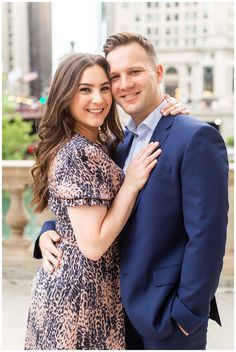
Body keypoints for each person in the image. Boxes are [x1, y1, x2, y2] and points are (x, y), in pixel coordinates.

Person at [34, 33, 228, 350]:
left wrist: (186, 314)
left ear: (159, 73)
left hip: (166, 320)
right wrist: (49, 230)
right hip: (112, 316)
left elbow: (207, 237)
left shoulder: (194, 138)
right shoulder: (117, 144)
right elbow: (90, 202)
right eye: (115, 77)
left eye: (135, 72)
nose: (124, 84)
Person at [24, 52, 163, 350]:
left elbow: (68, 212)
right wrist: (131, 184)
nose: (98, 99)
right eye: (84, 89)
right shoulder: (77, 152)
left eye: (103, 88)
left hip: (90, 292)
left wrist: (169, 108)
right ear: (65, 95)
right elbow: (94, 245)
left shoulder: (99, 143)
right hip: (78, 300)